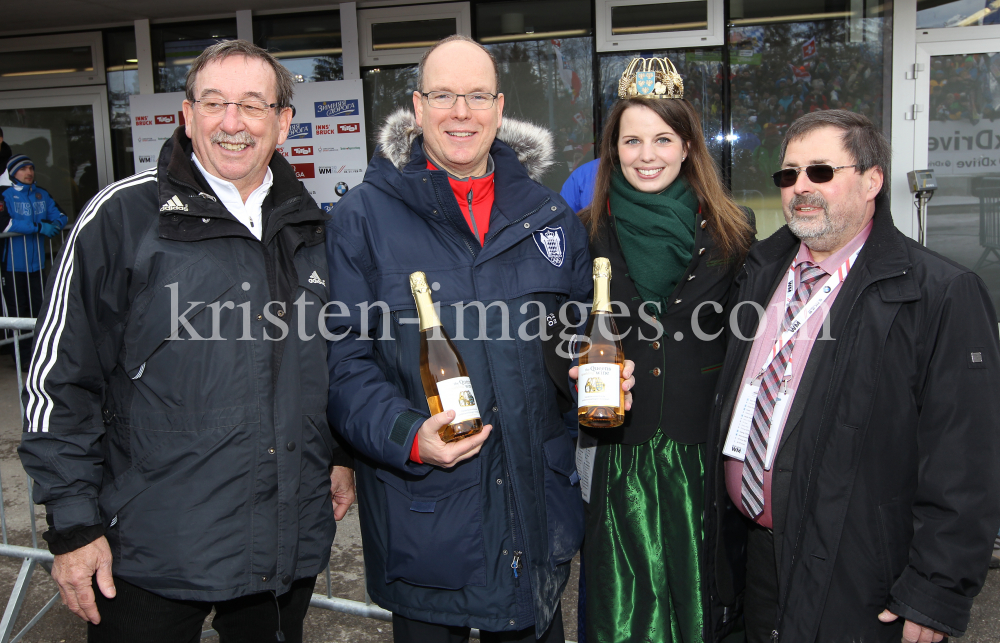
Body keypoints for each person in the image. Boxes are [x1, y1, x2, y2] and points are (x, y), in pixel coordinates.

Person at [17, 39, 355, 643]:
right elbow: (58, 382)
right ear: (187, 115)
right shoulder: (122, 218)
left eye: (253, 105)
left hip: (281, 544)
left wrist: (335, 452)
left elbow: (325, 363)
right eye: (214, 102)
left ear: (282, 123)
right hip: (148, 553)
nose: (232, 123)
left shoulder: (313, 229)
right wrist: (72, 527)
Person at [325, 34, 634, 643]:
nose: (460, 112)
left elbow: (572, 338)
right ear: (416, 107)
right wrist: (408, 435)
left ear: (498, 107)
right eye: (443, 95)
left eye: (476, 96)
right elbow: (344, 366)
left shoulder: (549, 217)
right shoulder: (362, 218)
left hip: (533, 523)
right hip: (431, 529)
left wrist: (596, 372)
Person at [704, 110, 1000, 643]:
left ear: (872, 179)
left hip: (859, 576)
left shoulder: (940, 293)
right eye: (788, 174)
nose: (800, 187)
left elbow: (966, 460)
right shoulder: (759, 270)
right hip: (753, 560)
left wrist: (935, 591)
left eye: (820, 172)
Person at [576, 57, 753, 643]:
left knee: (702, 603)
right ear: (613, 149)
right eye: (631, 140)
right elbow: (556, 326)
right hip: (619, 449)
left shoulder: (734, 232)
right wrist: (576, 363)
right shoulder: (584, 230)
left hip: (700, 449)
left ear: (687, 147)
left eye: (662, 138)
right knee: (623, 606)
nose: (646, 154)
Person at [0, 154, 68, 368]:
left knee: (41, 308)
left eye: (31, 168)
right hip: (12, 267)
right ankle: (23, 360)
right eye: (22, 169)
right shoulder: (4, 195)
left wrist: (54, 224)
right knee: (17, 311)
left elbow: (61, 216)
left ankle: (43, 354)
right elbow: (5, 224)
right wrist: (38, 227)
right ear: (12, 173)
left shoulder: (41, 194)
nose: (28, 172)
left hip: (37, 265)